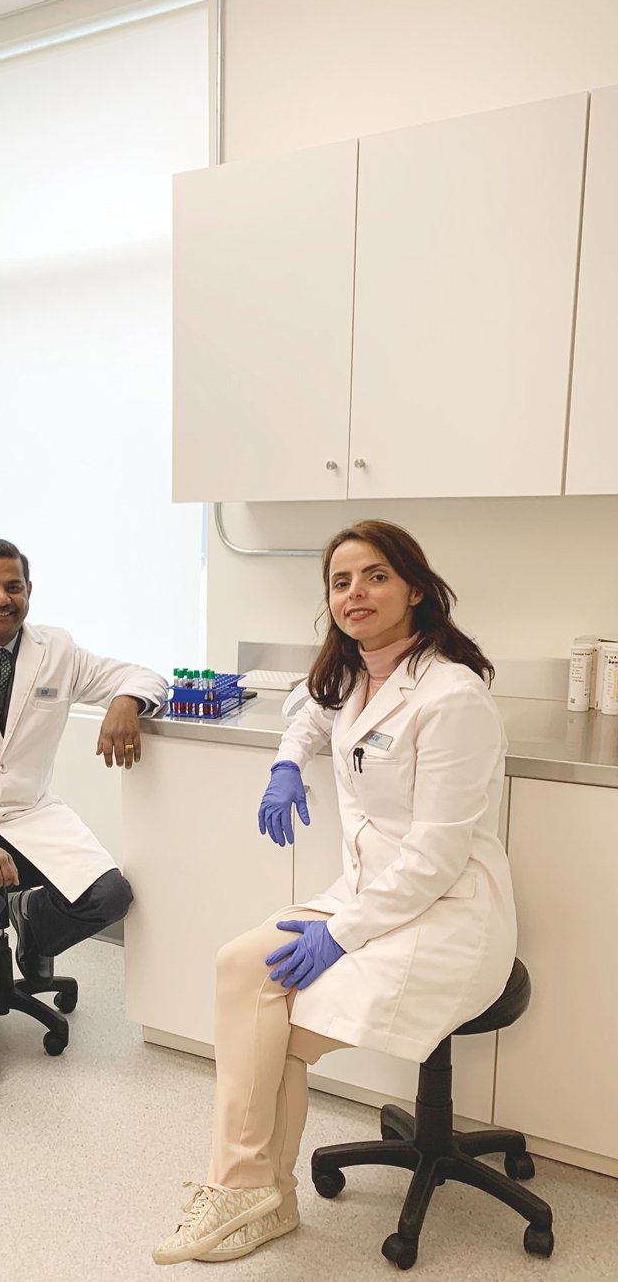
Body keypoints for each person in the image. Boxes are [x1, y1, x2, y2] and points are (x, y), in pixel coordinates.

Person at [152, 520, 517, 1265]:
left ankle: (252, 1192)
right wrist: (286, 766)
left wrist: (340, 935)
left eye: (376, 576)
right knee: (238, 964)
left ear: (415, 589)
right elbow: (310, 713)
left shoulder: (451, 697)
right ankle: (255, 1192)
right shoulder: (360, 671)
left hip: (444, 915)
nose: (356, 593)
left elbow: (437, 857)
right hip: (367, 895)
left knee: (273, 1020)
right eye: (341, 581)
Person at [0, 538, 167, 1073]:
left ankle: (31, 923)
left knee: (109, 895)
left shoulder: (55, 650)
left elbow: (145, 675)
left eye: (12, 587)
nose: (1, 599)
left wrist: (125, 702)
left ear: (28, 591)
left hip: (29, 813)